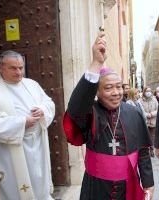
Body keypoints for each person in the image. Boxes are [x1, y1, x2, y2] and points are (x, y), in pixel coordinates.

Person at [62, 32, 154, 200]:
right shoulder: (91, 112)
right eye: (108, 87)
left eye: (118, 87)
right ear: (97, 91)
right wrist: (96, 63)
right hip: (97, 186)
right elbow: (75, 109)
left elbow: (143, 151)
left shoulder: (133, 112)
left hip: (129, 184)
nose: (116, 92)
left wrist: (148, 183)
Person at [0, 50, 55, 199]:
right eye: (13, 68)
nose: (19, 72)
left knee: (38, 183)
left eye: (21, 67)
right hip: (7, 152)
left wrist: (42, 110)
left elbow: (48, 103)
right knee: (14, 189)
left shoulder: (31, 84)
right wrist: (21, 123)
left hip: (37, 146)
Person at [138, 87, 158, 157]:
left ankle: (152, 150)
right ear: (144, 92)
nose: (148, 92)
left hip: (153, 121)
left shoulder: (154, 99)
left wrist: (152, 114)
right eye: (147, 91)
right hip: (145, 121)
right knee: (145, 136)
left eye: (149, 91)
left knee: (152, 137)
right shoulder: (140, 100)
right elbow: (140, 110)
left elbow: (157, 109)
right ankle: (146, 150)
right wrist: (146, 114)